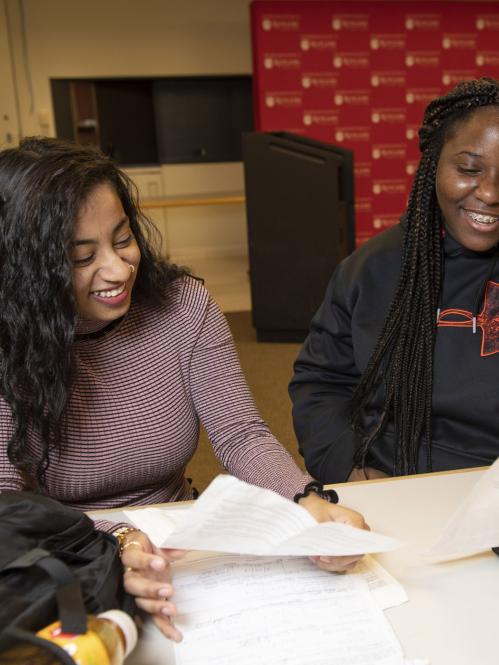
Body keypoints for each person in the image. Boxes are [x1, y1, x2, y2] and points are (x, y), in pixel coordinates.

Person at [0, 137, 367, 642]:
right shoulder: (7, 347)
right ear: (26, 271)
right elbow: (9, 507)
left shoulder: (183, 308)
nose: (118, 269)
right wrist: (118, 539)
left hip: (180, 542)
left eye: (122, 238)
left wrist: (306, 502)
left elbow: (240, 434)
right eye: (82, 257)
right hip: (64, 556)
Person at [290, 77, 499, 484]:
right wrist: (353, 472)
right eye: (469, 169)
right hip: (398, 479)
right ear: (434, 165)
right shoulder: (372, 269)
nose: (490, 193)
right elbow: (321, 384)